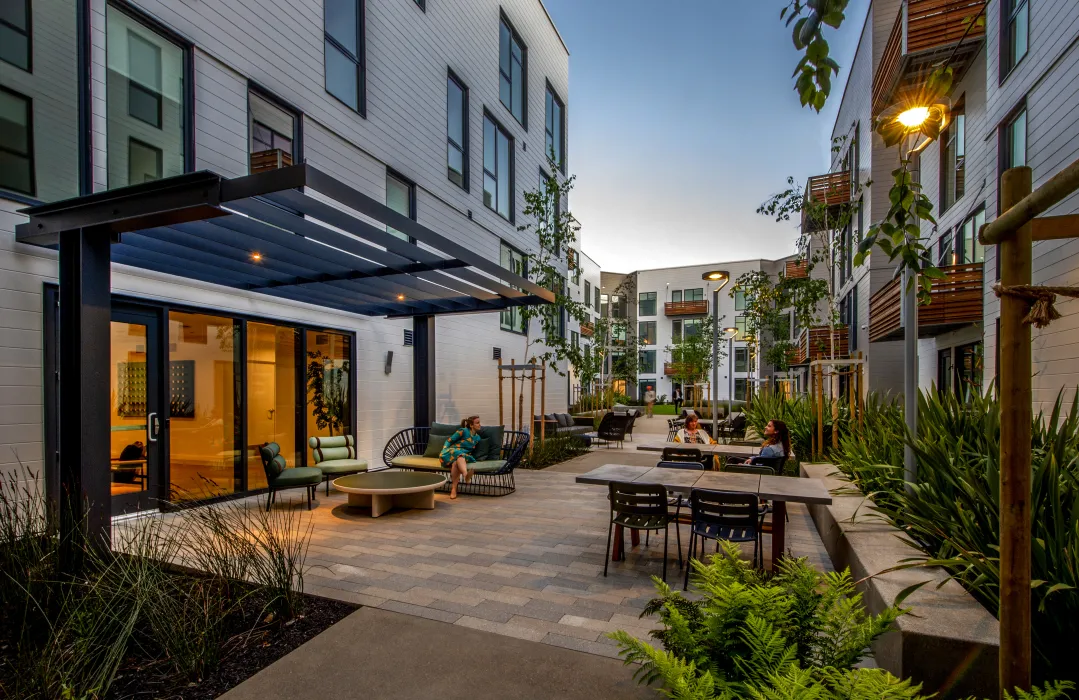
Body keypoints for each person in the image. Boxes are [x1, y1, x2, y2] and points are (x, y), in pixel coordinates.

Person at [440, 415, 481, 499]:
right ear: (471, 425)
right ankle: (466, 475)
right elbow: (449, 440)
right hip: (450, 452)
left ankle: (454, 490)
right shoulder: (463, 431)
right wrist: (444, 449)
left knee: (456, 463)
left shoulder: (477, 438)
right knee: (459, 455)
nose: (480, 425)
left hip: (462, 456)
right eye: (477, 423)